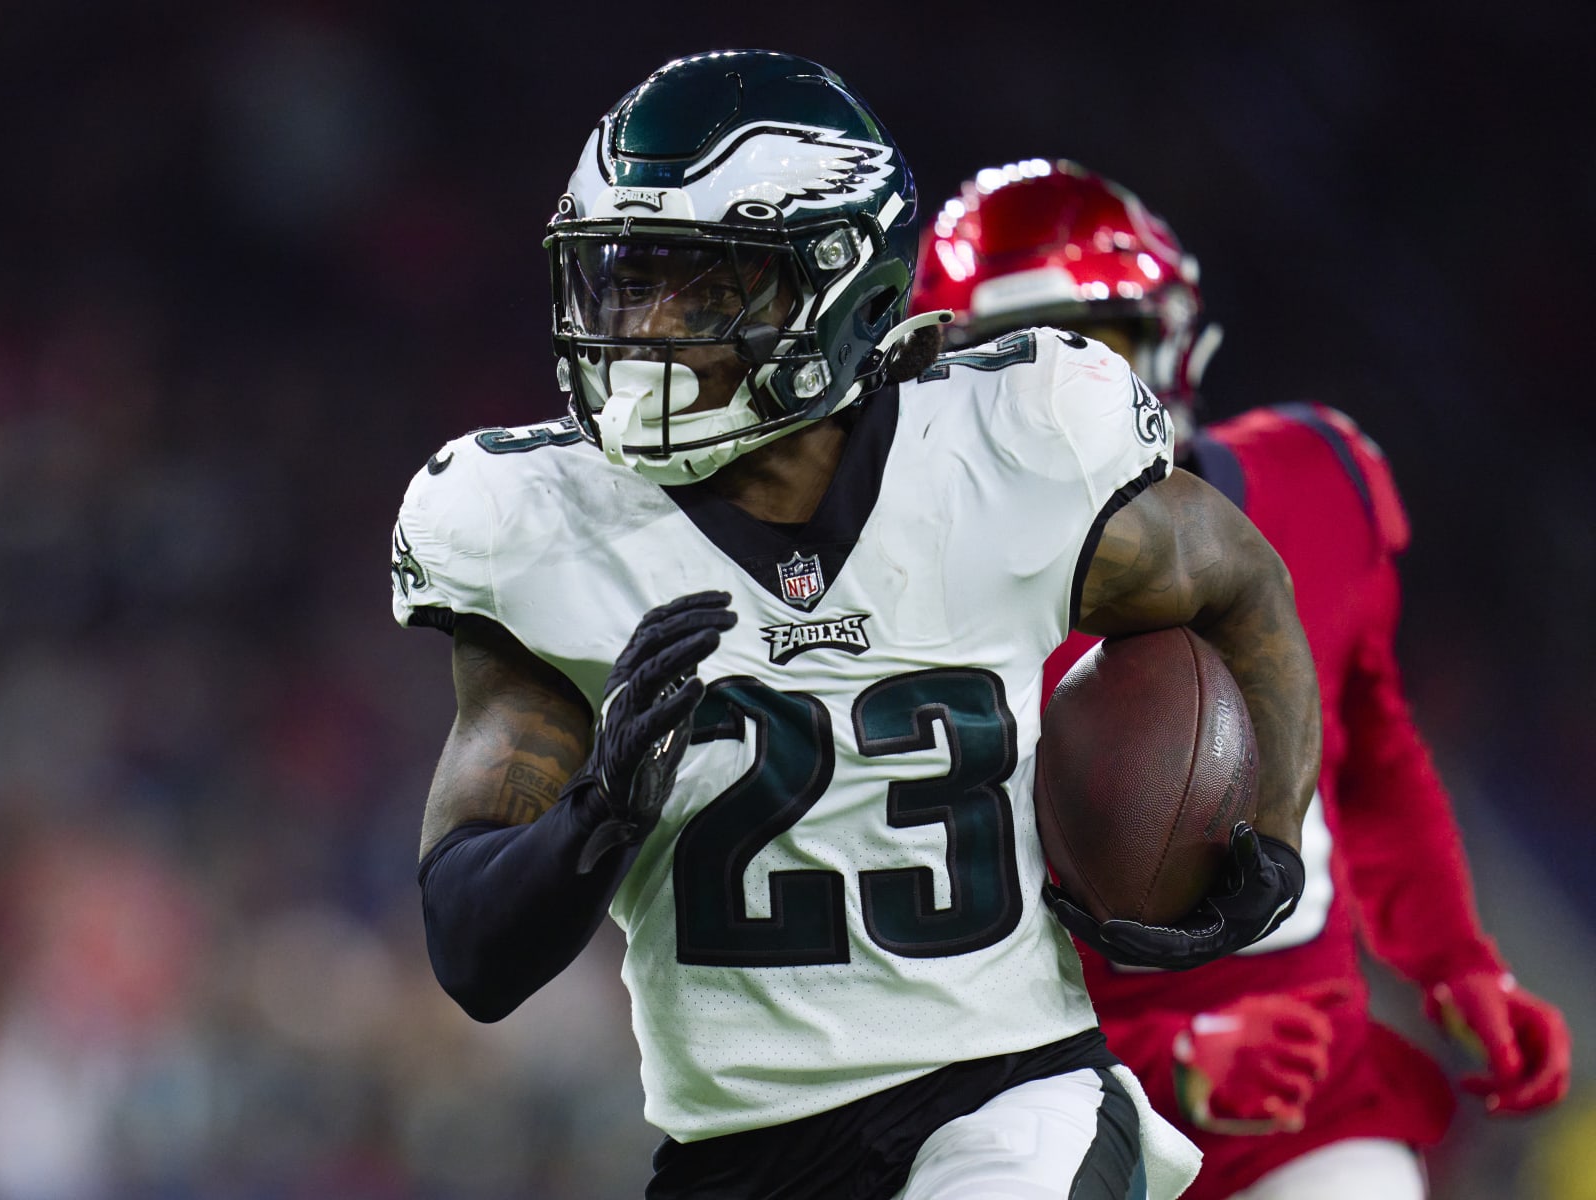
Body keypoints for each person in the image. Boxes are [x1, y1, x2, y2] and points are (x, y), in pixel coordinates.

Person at [393, 54, 1324, 1200]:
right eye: (624, 279)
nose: (642, 326)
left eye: (700, 284)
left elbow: (1242, 584)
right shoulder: (539, 527)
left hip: (1007, 1097)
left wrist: (1272, 839)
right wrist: (598, 815)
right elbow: (473, 955)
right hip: (736, 1157)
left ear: (843, 286)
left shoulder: (1008, 450)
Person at [910, 159, 1570, 1200]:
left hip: (1303, 1110)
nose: (1069, 398)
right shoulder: (904, 598)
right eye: (1023, 360)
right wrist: (1173, 1059)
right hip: (1040, 1115)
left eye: (1100, 348)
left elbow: (1371, 756)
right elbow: (914, 960)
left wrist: (1455, 959)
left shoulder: (1316, 483)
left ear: (1172, 348)